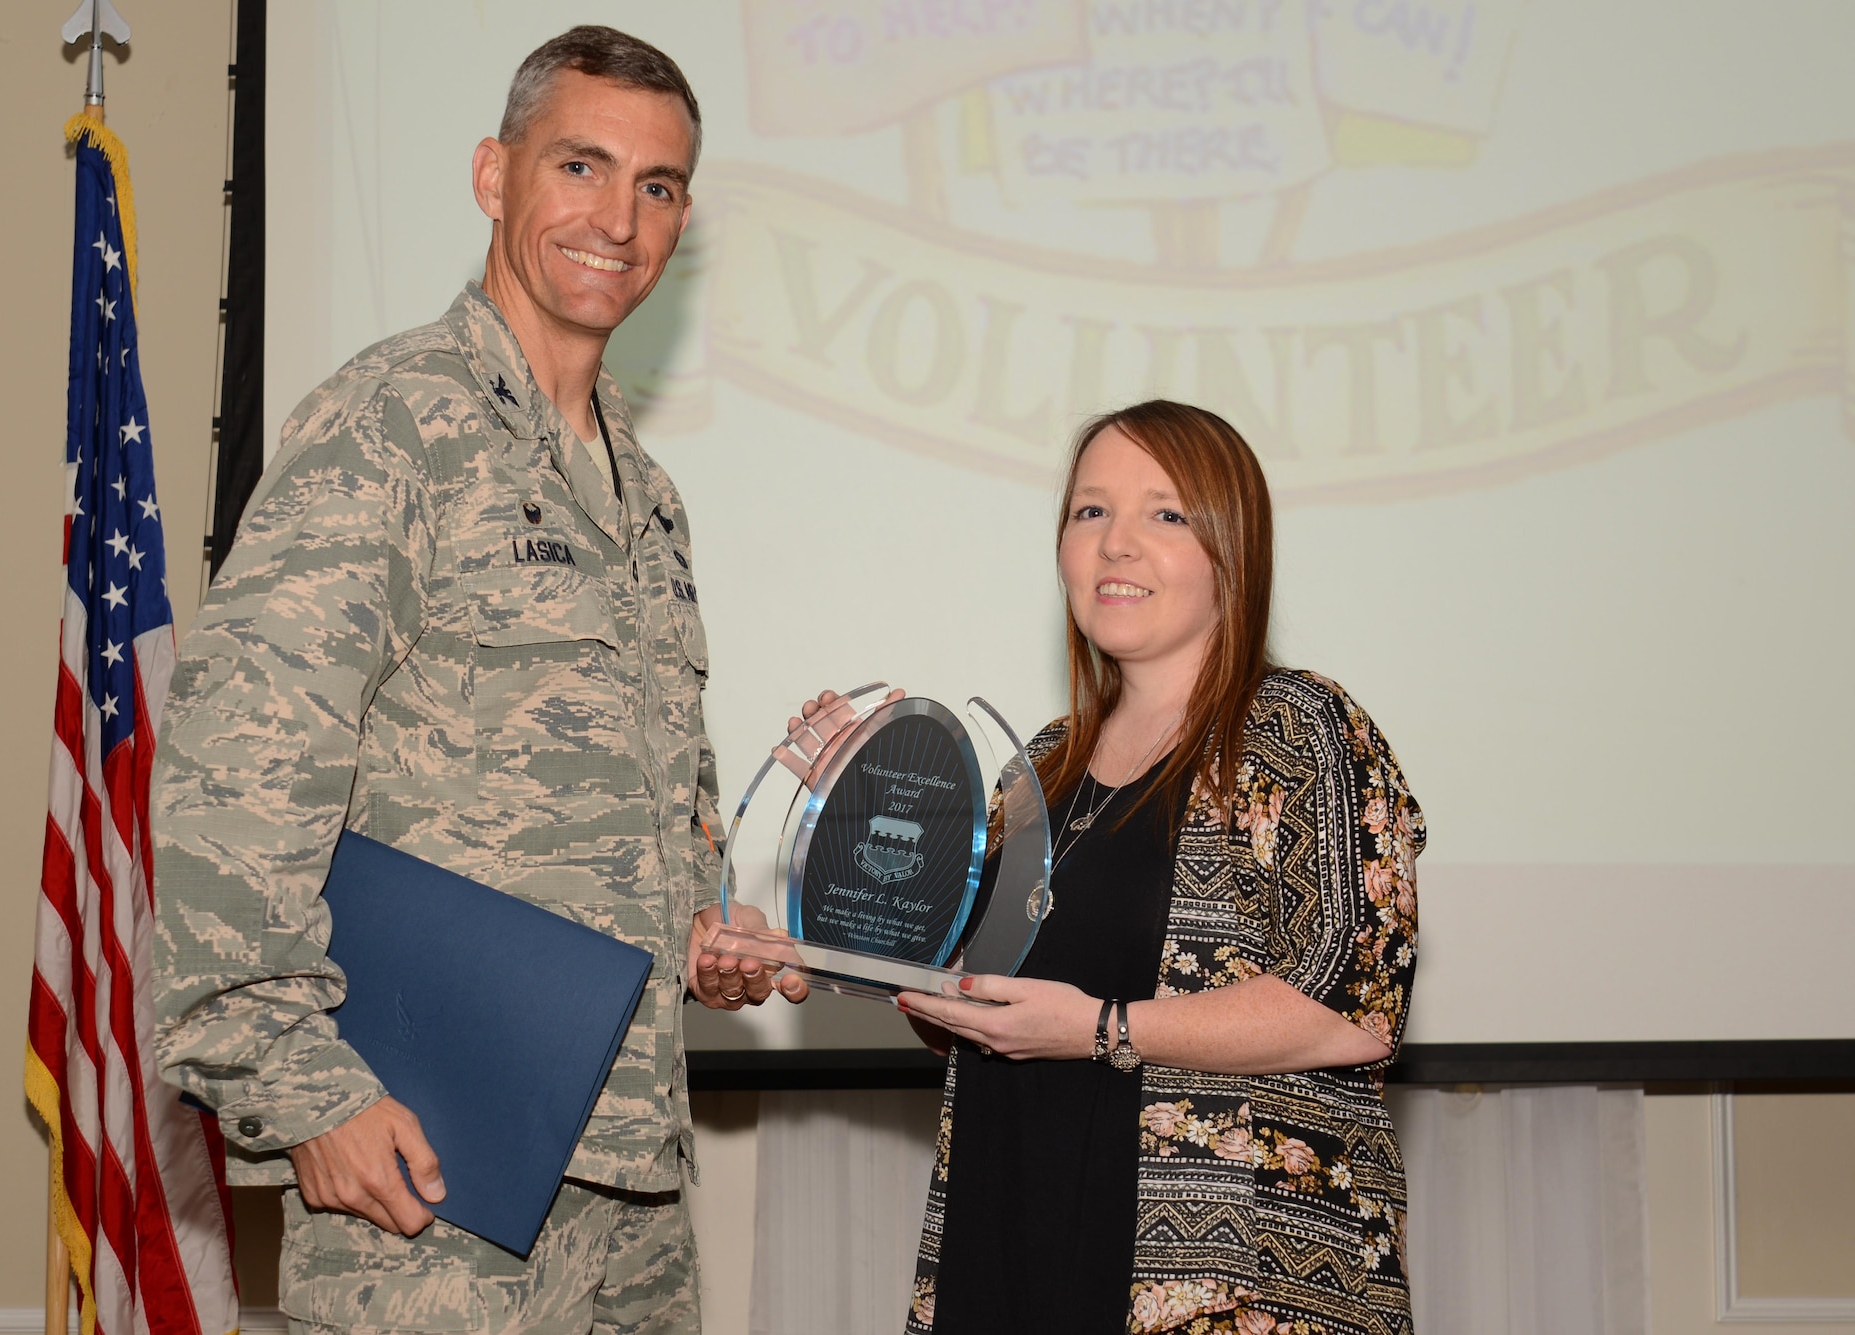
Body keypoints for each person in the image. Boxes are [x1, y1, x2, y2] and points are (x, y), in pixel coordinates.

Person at [150, 26, 800, 1335]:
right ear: (494, 175)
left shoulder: (650, 494)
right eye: (581, 165)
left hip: (630, 1176)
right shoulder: (388, 425)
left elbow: (628, 822)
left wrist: (700, 938)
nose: (618, 218)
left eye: (659, 185)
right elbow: (236, 774)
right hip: (433, 1174)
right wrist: (300, 1082)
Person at [894, 402, 1425, 1335]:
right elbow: (976, 1006)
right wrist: (854, 826)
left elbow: (1354, 1008)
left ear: (1233, 549)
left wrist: (1099, 1028)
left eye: (1165, 515)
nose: (1117, 545)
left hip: (1223, 1282)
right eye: (1090, 512)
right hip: (1012, 1248)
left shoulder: (1300, 732)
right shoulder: (1039, 770)